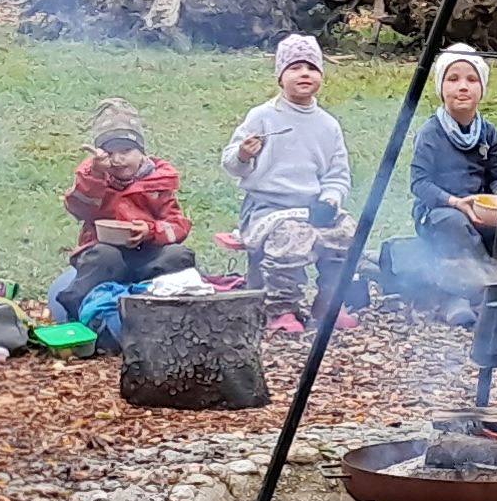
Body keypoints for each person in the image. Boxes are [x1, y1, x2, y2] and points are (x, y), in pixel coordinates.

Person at [222, 38, 357, 313]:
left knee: (348, 234)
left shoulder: (328, 125)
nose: (304, 73)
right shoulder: (262, 117)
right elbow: (230, 163)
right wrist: (244, 155)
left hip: (313, 206)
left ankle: (329, 302)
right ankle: (282, 306)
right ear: (280, 78)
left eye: (311, 67)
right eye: (295, 67)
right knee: (291, 238)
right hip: (267, 207)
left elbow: (337, 174)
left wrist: (330, 200)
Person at [395, 45, 497, 313]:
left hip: (480, 207)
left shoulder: (488, 132)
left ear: (481, 89)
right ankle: (463, 294)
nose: (463, 87)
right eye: (453, 79)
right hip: (438, 210)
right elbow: (419, 183)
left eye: (472, 80)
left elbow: (496, 173)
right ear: (440, 87)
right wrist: (455, 202)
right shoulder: (431, 133)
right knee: (456, 224)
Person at [55, 98, 198, 312]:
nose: (118, 159)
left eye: (126, 151)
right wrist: (95, 175)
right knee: (104, 257)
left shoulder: (157, 181)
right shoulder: (94, 176)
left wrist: (151, 230)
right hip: (104, 250)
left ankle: (167, 308)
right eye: (110, 153)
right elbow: (79, 208)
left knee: (178, 256)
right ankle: (77, 312)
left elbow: (178, 224)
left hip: (149, 252)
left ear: (141, 152)